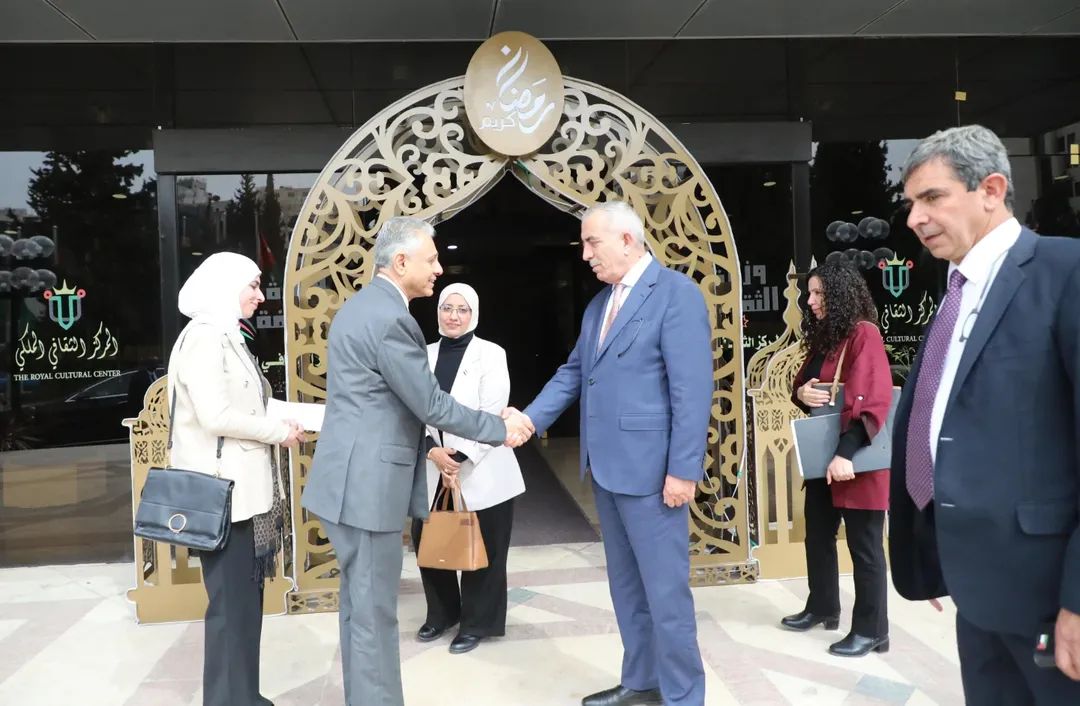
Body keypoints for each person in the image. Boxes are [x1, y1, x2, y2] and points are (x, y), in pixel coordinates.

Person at [301, 216, 533, 706]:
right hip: (366, 488)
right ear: (401, 261)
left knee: (360, 608)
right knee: (373, 613)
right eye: (431, 259)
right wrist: (502, 429)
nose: (439, 268)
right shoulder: (392, 319)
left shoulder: (361, 307)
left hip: (350, 481)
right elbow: (430, 404)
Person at [890, 124, 1080, 703]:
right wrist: (932, 546)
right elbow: (944, 422)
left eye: (932, 197)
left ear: (991, 190)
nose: (916, 219)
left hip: (1048, 596)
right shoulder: (956, 289)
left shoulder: (1065, 272)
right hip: (974, 590)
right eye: (910, 203)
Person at [518, 201, 712, 706]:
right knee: (627, 589)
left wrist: (683, 470)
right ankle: (642, 682)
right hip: (606, 470)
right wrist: (529, 420)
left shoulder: (675, 295)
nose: (585, 254)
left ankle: (684, 695)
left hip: (654, 475)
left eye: (592, 242)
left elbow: (692, 391)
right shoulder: (599, 305)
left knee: (666, 594)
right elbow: (573, 374)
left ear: (628, 240)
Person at [167, 252, 306, 706]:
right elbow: (216, 416)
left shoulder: (228, 336)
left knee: (244, 608)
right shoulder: (205, 338)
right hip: (225, 497)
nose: (259, 296)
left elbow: (245, 407)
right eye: (252, 285)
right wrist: (277, 433)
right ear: (226, 286)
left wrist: (284, 419)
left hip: (245, 495)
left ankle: (245, 695)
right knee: (230, 611)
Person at [784, 260, 892, 657]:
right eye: (809, 293)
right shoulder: (829, 337)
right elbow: (804, 386)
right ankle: (822, 607)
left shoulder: (864, 334)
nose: (810, 301)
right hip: (824, 462)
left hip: (855, 459)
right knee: (817, 535)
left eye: (818, 294)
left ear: (840, 295)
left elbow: (873, 399)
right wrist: (802, 393)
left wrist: (845, 454)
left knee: (865, 548)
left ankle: (871, 631)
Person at [411, 282, 525, 655]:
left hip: (483, 467)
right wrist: (433, 452)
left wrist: (458, 457)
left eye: (462, 309)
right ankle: (441, 614)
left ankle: (477, 623)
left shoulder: (491, 354)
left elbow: (491, 413)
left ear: (473, 314)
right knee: (431, 543)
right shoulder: (422, 355)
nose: (454, 316)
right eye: (447, 308)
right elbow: (409, 409)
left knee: (486, 549)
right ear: (438, 312)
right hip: (433, 467)